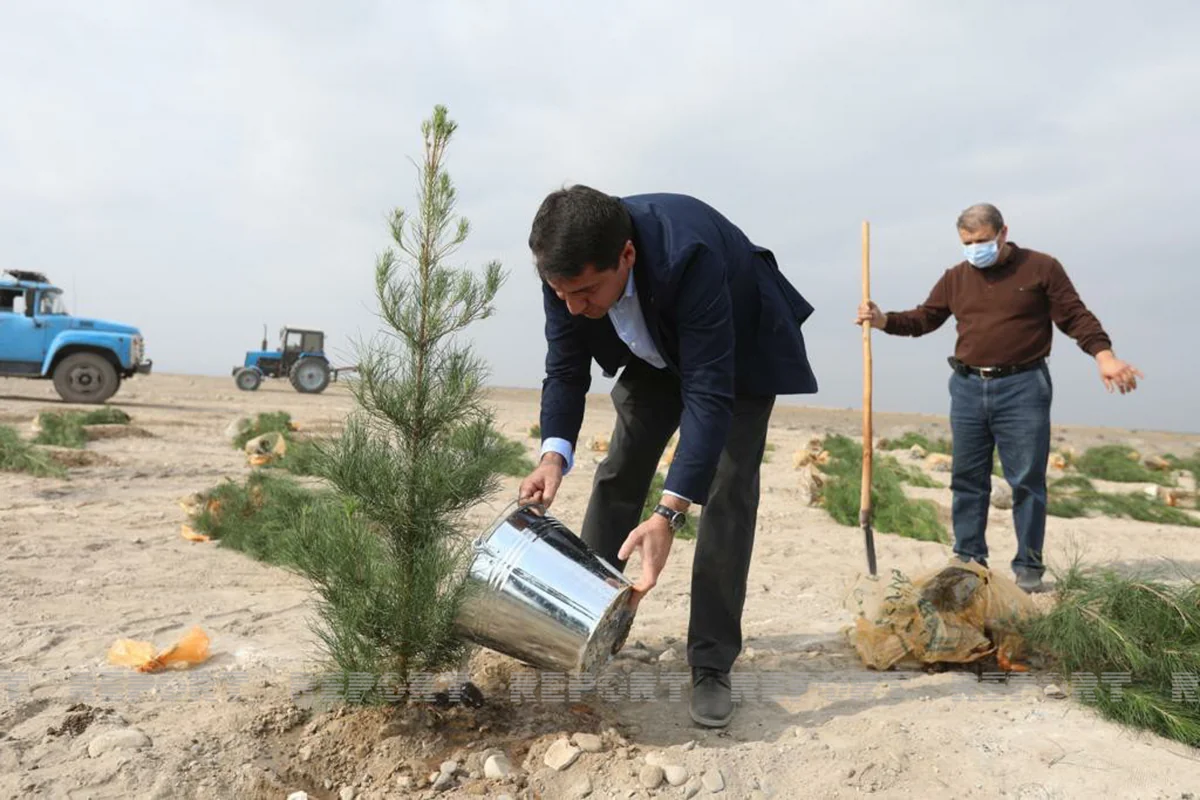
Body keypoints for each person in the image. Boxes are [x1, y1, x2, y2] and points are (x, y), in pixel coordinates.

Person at [517, 185, 818, 727]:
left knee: (726, 491)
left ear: (626, 256)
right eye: (561, 293)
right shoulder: (566, 270)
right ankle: (586, 627)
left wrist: (669, 513)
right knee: (618, 472)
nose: (574, 307)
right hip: (654, 351)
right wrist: (552, 456)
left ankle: (710, 664)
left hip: (736, 355)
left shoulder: (689, 255)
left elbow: (708, 389)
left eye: (585, 291)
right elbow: (564, 367)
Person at [856, 203, 1142, 593]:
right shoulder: (956, 278)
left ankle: (1028, 567)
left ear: (1003, 233)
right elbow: (925, 318)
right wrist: (883, 319)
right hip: (968, 386)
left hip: (1023, 386)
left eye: (982, 241)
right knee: (967, 480)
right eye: (967, 243)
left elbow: (1075, 317)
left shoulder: (1041, 267)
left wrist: (1104, 356)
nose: (975, 249)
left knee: (1026, 480)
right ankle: (970, 560)